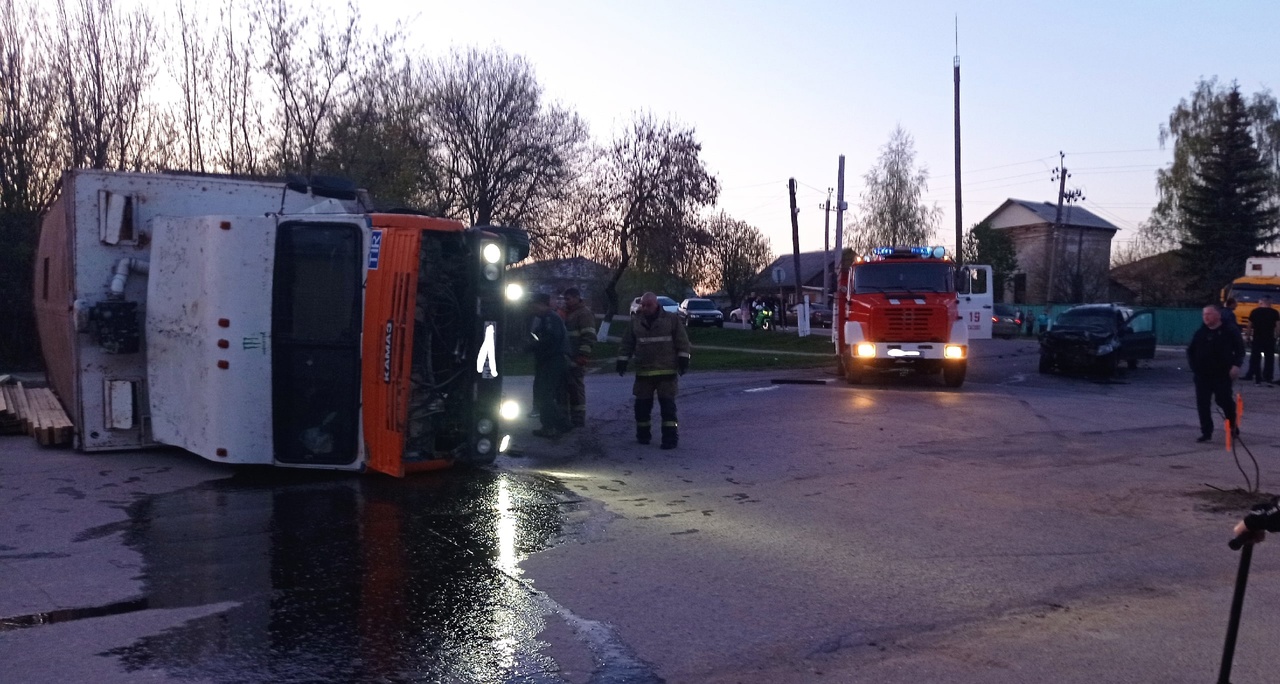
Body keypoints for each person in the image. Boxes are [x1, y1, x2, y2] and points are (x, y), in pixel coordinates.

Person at [617, 292, 691, 449]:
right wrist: (622, 360)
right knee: (642, 407)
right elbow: (627, 343)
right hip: (644, 371)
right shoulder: (635, 321)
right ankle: (643, 435)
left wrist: (683, 359)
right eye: (642, 305)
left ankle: (670, 439)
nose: (645, 308)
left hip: (666, 371)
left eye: (648, 305)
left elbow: (682, 341)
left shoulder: (671, 320)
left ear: (656, 304)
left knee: (668, 408)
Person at [1186, 304, 1245, 443]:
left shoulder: (1229, 331)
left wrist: (1236, 366)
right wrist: (1194, 367)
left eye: (1209, 314)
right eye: (1204, 315)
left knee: (1223, 400)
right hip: (1202, 375)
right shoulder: (1201, 332)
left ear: (1218, 315)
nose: (1206, 317)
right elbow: (1190, 351)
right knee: (1203, 403)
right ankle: (1206, 432)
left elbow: (1240, 350)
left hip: (1222, 374)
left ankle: (1232, 426)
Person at [526, 292, 572, 438]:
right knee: (541, 394)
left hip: (554, 360)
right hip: (546, 360)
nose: (531, 307)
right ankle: (547, 426)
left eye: (533, 304)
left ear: (541, 304)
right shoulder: (542, 319)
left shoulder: (551, 318)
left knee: (545, 394)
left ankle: (563, 424)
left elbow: (551, 339)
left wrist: (533, 346)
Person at [561, 287, 596, 427]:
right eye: (565, 299)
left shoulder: (584, 314)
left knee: (576, 389)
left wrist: (583, 356)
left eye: (568, 299)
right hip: (566, 357)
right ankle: (564, 418)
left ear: (576, 298)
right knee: (563, 389)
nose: (566, 302)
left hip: (576, 358)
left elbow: (589, 336)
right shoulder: (567, 314)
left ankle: (578, 419)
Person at [1245, 295, 1279, 385]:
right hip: (1269, 337)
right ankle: (1268, 377)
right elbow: (1278, 326)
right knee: (1269, 358)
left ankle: (1257, 376)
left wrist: (1248, 336)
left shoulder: (1255, 312)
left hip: (1257, 337)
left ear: (1261, 302)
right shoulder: (1274, 312)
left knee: (1256, 357)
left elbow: (1249, 325)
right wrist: (1277, 336)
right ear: (1270, 302)